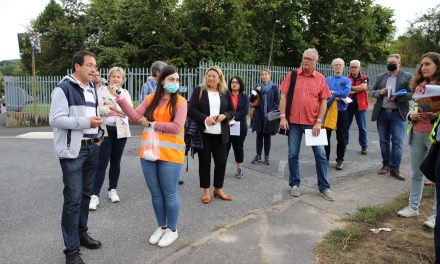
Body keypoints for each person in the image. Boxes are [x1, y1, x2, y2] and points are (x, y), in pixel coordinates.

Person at [112, 65, 187, 247]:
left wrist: (152, 124)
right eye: (171, 79)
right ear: (162, 81)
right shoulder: (151, 98)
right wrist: (120, 99)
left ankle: (172, 229)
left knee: (169, 194)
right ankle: (161, 226)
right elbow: (136, 116)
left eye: (177, 80)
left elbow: (177, 127)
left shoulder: (181, 102)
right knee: (155, 194)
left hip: (171, 155)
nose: (174, 83)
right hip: (149, 153)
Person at [49, 50, 103, 264]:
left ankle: (81, 234)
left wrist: (98, 134)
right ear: (77, 67)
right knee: (72, 200)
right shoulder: (63, 89)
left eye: (95, 65)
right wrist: (86, 123)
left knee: (86, 196)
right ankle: (71, 251)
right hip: (73, 151)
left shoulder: (91, 88)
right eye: (89, 65)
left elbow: (93, 113)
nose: (93, 69)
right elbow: (56, 119)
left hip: (92, 148)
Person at [279, 48, 334, 201]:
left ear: (315, 62)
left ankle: (324, 187)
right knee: (293, 154)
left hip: (313, 124)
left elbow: (324, 101)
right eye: (304, 58)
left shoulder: (320, 79)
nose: (305, 61)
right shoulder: (293, 75)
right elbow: (283, 96)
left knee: (321, 155)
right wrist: (283, 117)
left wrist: (319, 122)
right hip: (294, 122)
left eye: (309, 59)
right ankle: (295, 184)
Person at [398, 52, 440, 229]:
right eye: (421, 65)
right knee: (416, 174)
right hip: (416, 133)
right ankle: (413, 207)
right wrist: (410, 115)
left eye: (427, 64)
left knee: (437, 177)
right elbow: (411, 108)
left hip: (434, 137)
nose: (423, 68)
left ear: (437, 66)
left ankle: (435, 216)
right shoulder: (419, 86)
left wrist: (435, 114)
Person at [188, 66, 235, 204]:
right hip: (204, 135)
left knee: (221, 161)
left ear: (220, 78)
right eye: (208, 75)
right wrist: (205, 118)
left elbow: (232, 111)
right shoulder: (199, 90)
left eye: (214, 76)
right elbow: (191, 109)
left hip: (221, 135)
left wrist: (224, 115)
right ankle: (206, 191)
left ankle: (218, 189)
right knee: (205, 163)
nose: (210, 78)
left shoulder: (225, 92)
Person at [89, 67, 132, 210]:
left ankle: (112, 189)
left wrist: (111, 106)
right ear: (109, 78)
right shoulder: (100, 91)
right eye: (113, 76)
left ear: (122, 79)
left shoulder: (125, 93)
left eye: (119, 77)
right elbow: (98, 109)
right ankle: (94, 195)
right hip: (105, 131)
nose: (116, 79)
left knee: (116, 162)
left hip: (121, 132)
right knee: (101, 162)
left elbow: (129, 111)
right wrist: (114, 110)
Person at [369, 54, 413, 181]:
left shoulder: (407, 76)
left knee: (398, 142)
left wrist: (398, 96)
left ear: (399, 63)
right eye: (389, 62)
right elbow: (371, 91)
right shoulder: (380, 76)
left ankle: (395, 169)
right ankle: (386, 165)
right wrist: (380, 93)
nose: (391, 64)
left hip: (397, 114)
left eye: (393, 62)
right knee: (384, 141)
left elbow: (412, 93)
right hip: (382, 113)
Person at [324, 58, 351, 170]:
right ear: (332, 67)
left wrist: (332, 93)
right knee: (326, 137)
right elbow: (323, 92)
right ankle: (324, 159)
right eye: (336, 65)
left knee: (341, 137)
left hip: (341, 112)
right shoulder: (327, 79)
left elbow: (345, 93)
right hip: (328, 111)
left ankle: (340, 160)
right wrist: (335, 96)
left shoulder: (347, 80)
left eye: (340, 65)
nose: (338, 67)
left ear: (343, 67)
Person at [250, 69, 280, 165]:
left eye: (265, 74)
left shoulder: (274, 87)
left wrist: (272, 111)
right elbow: (251, 99)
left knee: (267, 137)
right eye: (262, 74)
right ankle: (258, 156)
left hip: (269, 116)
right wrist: (256, 91)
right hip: (259, 115)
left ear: (269, 75)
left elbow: (277, 102)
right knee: (259, 136)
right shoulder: (257, 86)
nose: (263, 76)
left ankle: (267, 157)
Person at [227, 76, 249, 179]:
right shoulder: (226, 95)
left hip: (239, 126)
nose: (233, 84)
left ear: (240, 84)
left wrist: (233, 118)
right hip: (226, 125)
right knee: (224, 147)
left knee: (238, 147)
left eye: (236, 82)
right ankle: (221, 169)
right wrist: (228, 118)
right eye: (232, 82)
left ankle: (239, 169)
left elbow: (245, 111)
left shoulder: (244, 97)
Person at [345, 60, 369, 155]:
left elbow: (363, 87)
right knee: (345, 127)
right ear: (350, 68)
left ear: (359, 68)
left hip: (360, 106)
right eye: (352, 67)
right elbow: (345, 90)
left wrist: (351, 88)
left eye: (355, 67)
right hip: (348, 106)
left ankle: (364, 146)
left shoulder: (364, 77)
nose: (353, 69)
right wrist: (357, 89)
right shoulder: (346, 78)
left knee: (362, 127)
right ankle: (344, 144)